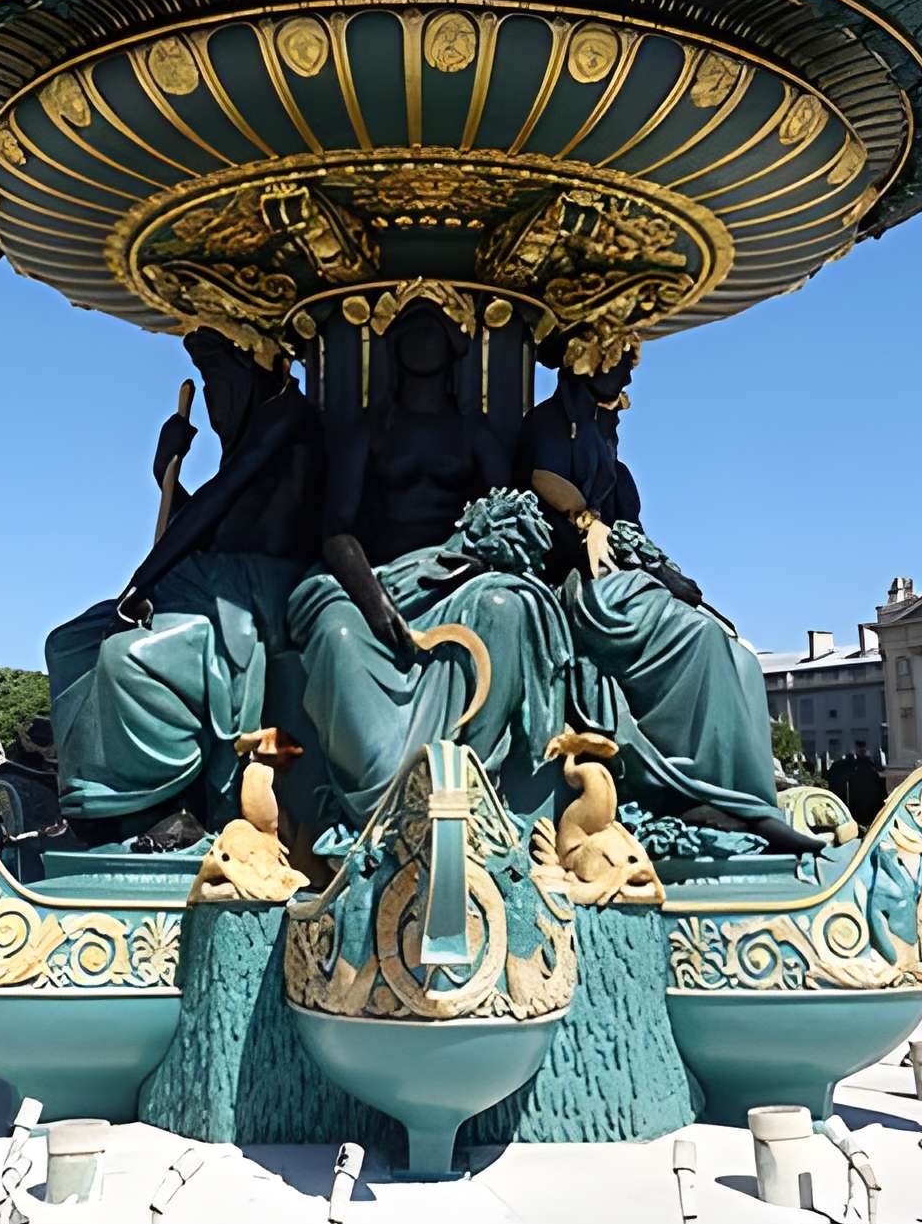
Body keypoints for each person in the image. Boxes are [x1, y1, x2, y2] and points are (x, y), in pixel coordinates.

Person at [516, 346, 816, 858]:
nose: (630, 370)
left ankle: (747, 792)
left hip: (618, 580)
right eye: (620, 357)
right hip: (581, 590)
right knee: (698, 640)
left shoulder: (608, 449)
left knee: (735, 652)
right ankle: (703, 786)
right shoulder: (548, 428)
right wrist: (632, 558)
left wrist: (665, 572)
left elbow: (632, 534)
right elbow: (551, 524)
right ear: (587, 358)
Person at [286, 299, 570, 827]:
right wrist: (373, 603)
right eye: (409, 332)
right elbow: (335, 530)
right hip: (372, 578)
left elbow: (510, 520)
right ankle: (381, 809)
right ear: (391, 351)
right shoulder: (367, 432)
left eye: (431, 331)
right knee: (337, 637)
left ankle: (474, 785)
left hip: (457, 579)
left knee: (507, 608)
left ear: (454, 349)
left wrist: (476, 562)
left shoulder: (477, 435)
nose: (420, 341)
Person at [46, 328, 323, 835]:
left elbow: (217, 506)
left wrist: (141, 581)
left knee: (127, 657)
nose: (214, 404)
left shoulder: (286, 418)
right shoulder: (245, 441)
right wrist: (164, 475)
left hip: (255, 592)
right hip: (207, 579)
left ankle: (167, 802)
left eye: (222, 386)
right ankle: (94, 800)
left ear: (265, 374)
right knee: (69, 643)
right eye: (208, 388)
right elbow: (211, 519)